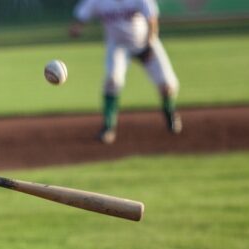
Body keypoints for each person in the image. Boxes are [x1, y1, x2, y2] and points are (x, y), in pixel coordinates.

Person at [70, 0, 182, 144]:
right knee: (112, 81)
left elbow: (152, 20)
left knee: (167, 84)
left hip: (145, 42)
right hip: (118, 46)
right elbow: (82, 15)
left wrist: (149, 44)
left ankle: (170, 115)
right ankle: (108, 127)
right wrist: (76, 27)